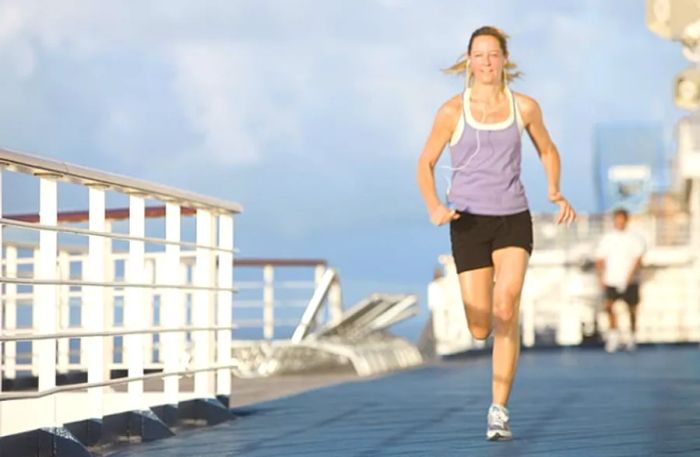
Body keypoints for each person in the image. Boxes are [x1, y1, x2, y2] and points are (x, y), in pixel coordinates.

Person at [416, 26, 576, 441]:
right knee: (480, 327)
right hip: (467, 222)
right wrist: (434, 205)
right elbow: (425, 162)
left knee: (507, 307)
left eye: (493, 55)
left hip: (512, 218)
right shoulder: (452, 111)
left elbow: (547, 148)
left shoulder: (524, 107)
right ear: (468, 61)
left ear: (505, 59)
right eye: (479, 55)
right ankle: (486, 311)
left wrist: (554, 188)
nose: (486, 62)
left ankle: (498, 410)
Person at [594, 208, 646, 353]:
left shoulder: (635, 238)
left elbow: (638, 259)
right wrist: (601, 276)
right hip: (611, 279)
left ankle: (632, 337)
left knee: (632, 309)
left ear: (626, 220)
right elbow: (600, 258)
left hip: (631, 281)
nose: (619, 222)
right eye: (617, 219)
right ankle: (613, 337)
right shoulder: (608, 238)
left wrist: (630, 276)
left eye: (622, 219)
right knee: (609, 307)